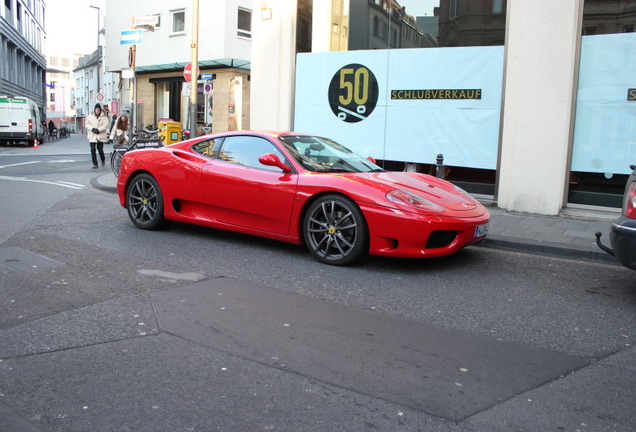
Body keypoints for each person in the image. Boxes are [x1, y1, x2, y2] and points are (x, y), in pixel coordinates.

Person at [85, 103, 109, 168]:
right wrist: (92, 129)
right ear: (94, 109)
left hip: (100, 135)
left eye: (98, 109)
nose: (97, 110)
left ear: (100, 110)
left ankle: (102, 159)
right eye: (96, 109)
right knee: (92, 149)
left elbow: (106, 125)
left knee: (100, 149)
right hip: (92, 135)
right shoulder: (90, 116)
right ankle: (95, 163)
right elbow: (87, 124)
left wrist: (99, 130)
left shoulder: (104, 117)